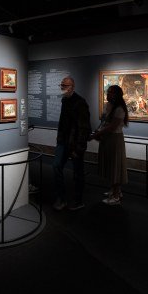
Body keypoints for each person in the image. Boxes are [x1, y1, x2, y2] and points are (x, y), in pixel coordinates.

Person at [53, 76, 91, 211]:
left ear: (72, 87)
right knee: (56, 166)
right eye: (61, 85)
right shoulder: (65, 100)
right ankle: (61, 198)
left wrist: (79, 148)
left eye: (65, 86)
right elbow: (63, 122)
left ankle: (78, 200)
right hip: (63, 141)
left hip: (75, 144)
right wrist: (59, 138)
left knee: (78, 173)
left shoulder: (80, 102)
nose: (62, 88)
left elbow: (84, 128)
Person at [90, 84, 129, 205]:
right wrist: (98, 131)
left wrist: (97, 134)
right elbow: (104, 122)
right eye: (108, 92)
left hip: (114, 139)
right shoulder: (108, 105)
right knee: (111, 166)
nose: (108, 94)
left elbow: (112, 127)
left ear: (117, 95)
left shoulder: (119, 109)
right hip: (108, 138)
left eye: (111, 92)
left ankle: (116, 196)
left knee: (115, 166)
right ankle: (115, 190)